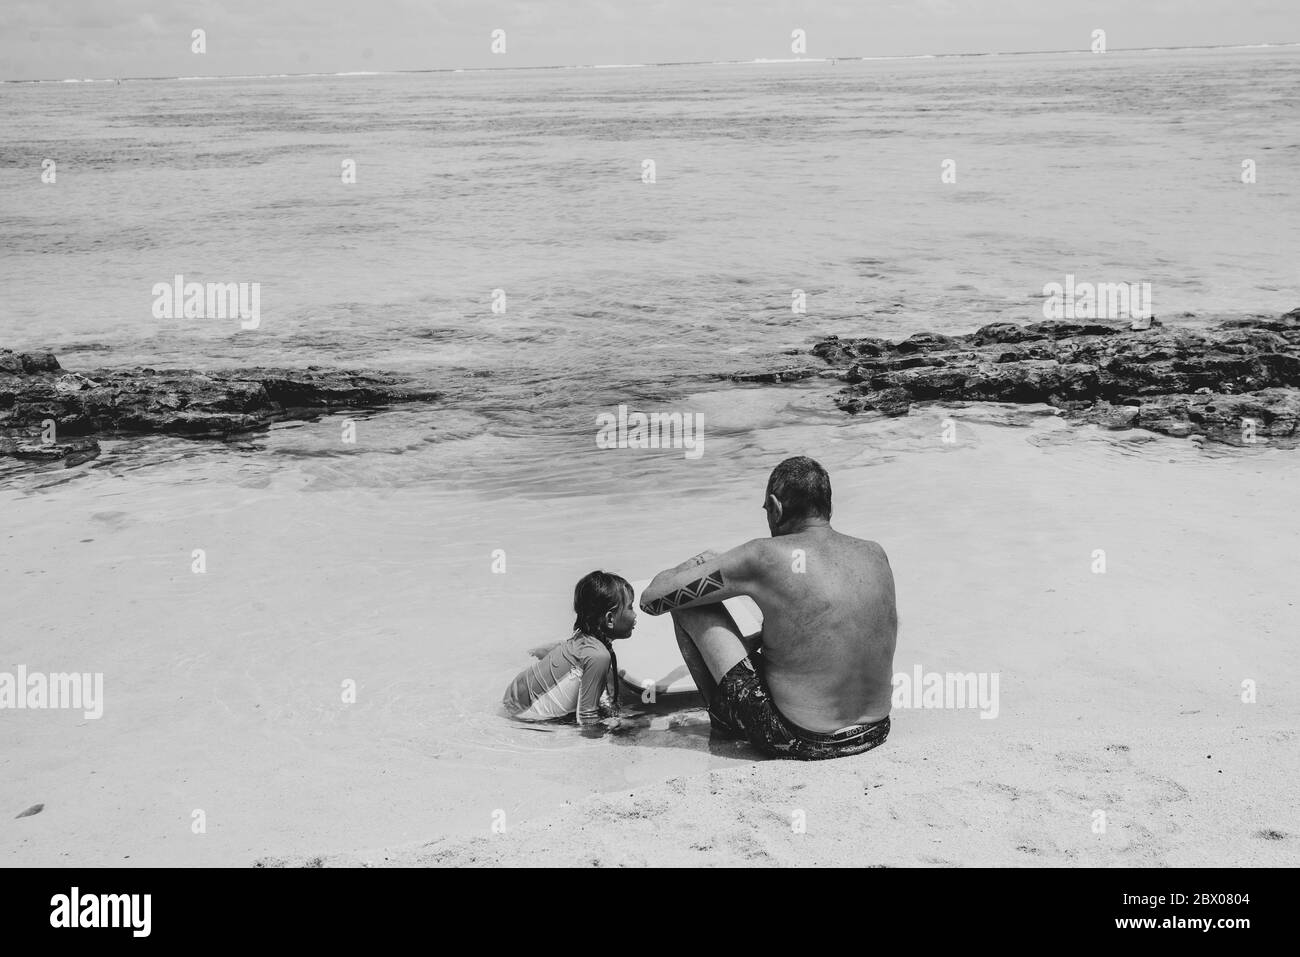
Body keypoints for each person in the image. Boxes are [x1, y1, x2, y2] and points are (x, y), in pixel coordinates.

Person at [640, 456, 896, 760]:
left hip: (804, 739)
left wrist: (699, 562)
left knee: (688, 606)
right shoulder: (874, 553)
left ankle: (723, 722)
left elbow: (652, 599)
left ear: (775, 507)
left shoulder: (763, 556)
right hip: (877, 730)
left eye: (766, 510)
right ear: (828, 506)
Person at [503, 570, 636, 726]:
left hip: (513, 695)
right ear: (609, 619)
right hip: (525, 717)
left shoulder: (580, 639)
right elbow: (587, 718)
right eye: (630, 607)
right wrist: (623, 726)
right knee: (631, 729)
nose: (635, 615)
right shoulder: (599, 656)